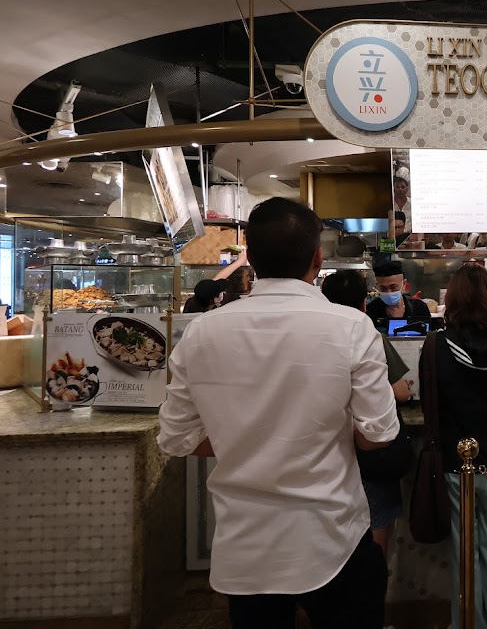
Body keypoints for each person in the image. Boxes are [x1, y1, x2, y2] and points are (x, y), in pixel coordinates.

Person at [157, 198, 399, 629]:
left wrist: (242, 440)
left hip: (246, 544)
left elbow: (177, 438)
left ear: (249, 256)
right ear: (317, 258)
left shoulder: (201, 333)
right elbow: (378, 433)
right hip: (333, 535)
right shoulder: (351, 326)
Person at [422, 263, 487, 629]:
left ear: (453, 299)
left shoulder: (437, 345)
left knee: (464, 549)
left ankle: (466, 623)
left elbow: (431, 401)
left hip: (453, 458)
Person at [321, 270, 411, 560]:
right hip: (369, 449)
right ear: (363, 303)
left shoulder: (314, 335)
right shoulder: (369, 335)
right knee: (376, 532)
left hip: (326, 453)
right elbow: (401, 393)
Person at [183, 251, 249, 313]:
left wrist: (240, 261)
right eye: (221, 292)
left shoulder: (195, 302)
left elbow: (218, 278)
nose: (223, 293)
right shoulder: (209, 315)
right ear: (216, 299)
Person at [366, 260, 432, 321]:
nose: (389, 292)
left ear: (404, 284)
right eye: (383, 288)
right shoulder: (371, 310)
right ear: (377, 286)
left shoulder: (419, 308)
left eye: (393, 287)